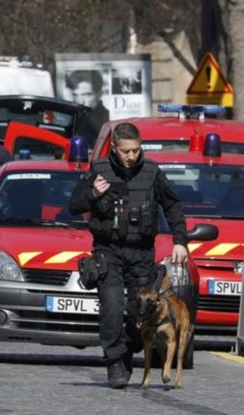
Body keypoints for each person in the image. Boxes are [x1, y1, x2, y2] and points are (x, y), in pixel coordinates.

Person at [68, 122, 189, 389]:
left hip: (142, 253)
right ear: (114, 148)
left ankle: (129, 349)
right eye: (126, 151)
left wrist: (180, 241)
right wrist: (92, 194)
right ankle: (115, 363)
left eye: (136, 150)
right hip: (108, 250)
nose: (131, 156)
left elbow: (173, 206)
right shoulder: (99, 170)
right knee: (111, 309)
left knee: (140, 313)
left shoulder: (152, 172)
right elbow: (73, 204)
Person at [66, 70, 110, 147]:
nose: (80, 101)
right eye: (75, 95)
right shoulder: (73, 117)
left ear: (99, 94)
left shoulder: (107, 120)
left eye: (86, 95)